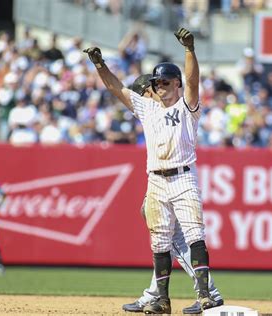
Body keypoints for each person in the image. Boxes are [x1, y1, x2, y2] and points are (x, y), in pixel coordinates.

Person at [84, 28, 219, 313]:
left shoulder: (187, 107)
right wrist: (100, 65)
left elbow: (193, 79)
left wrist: (189, 50)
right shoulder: (148, 109)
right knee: (159, 243)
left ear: (176, 84)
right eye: (156, 82)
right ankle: (162, 300)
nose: (159, 86)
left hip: (183, 176)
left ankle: (206, 295)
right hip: (155, 180)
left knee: (195, 236)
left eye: (165, 81)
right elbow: (116, 88)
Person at [121, 74, 224, 313]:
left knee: (175, 242)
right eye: (148, 91)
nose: (151, 94)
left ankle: (209, 294)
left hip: (181, 178)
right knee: (164, 243)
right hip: (162, 181)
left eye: (149, 90)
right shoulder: (153, 112)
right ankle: (154, 293)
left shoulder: (175, 107)